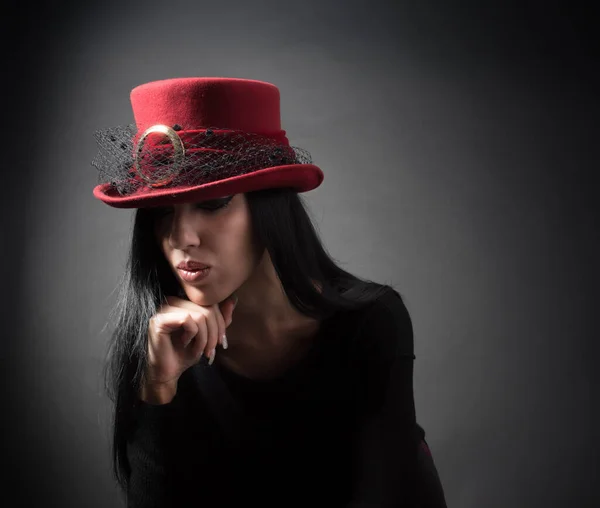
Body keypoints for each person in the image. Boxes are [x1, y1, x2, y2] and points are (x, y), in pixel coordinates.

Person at [92, 77, 448, 508]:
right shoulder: (158, 342)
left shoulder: (369, 323)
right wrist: (158, 388)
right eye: (161, 212)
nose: (181, 236)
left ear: (267, 206)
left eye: (213, 203)